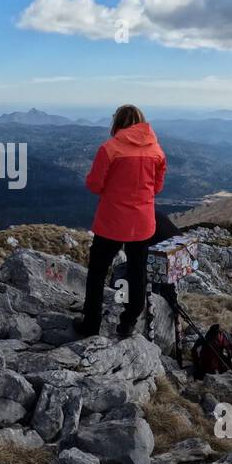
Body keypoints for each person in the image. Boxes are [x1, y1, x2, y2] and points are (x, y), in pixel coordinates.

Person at [75, 104, 167, 338]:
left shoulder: (110, 148)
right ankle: (128, 324)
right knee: (137, 272)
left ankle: (91, 325)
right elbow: (157, 187)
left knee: (97, 272)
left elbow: (95, 185)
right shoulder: (156, 150)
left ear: (117, 122)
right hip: (142, 223)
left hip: (112, 221)